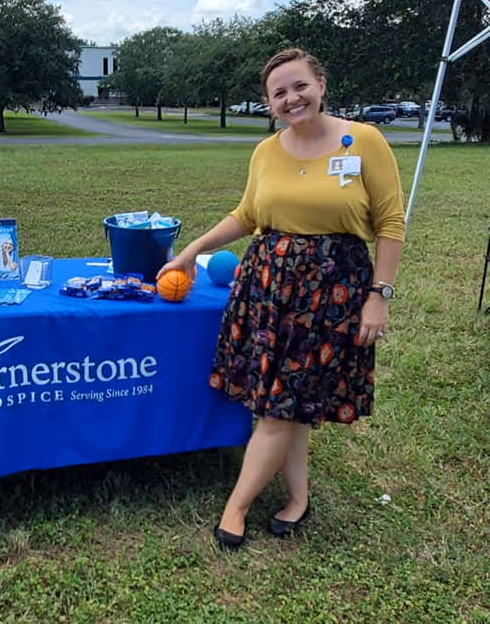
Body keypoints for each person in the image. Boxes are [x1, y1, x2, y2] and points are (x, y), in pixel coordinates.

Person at [157, 48, 405, 550]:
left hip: (331, 293)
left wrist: (378, 296)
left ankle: (236, 508)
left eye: (299, 86)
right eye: (279, 93)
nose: (291, 99)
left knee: (279, 409)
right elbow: (248, 215)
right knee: (288, 403)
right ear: (269, 103)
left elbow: (391, 225)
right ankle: (298, 498)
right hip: (269, 288)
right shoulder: (267, 150)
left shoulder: (365, 141)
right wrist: (192, 250)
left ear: (321, 83)